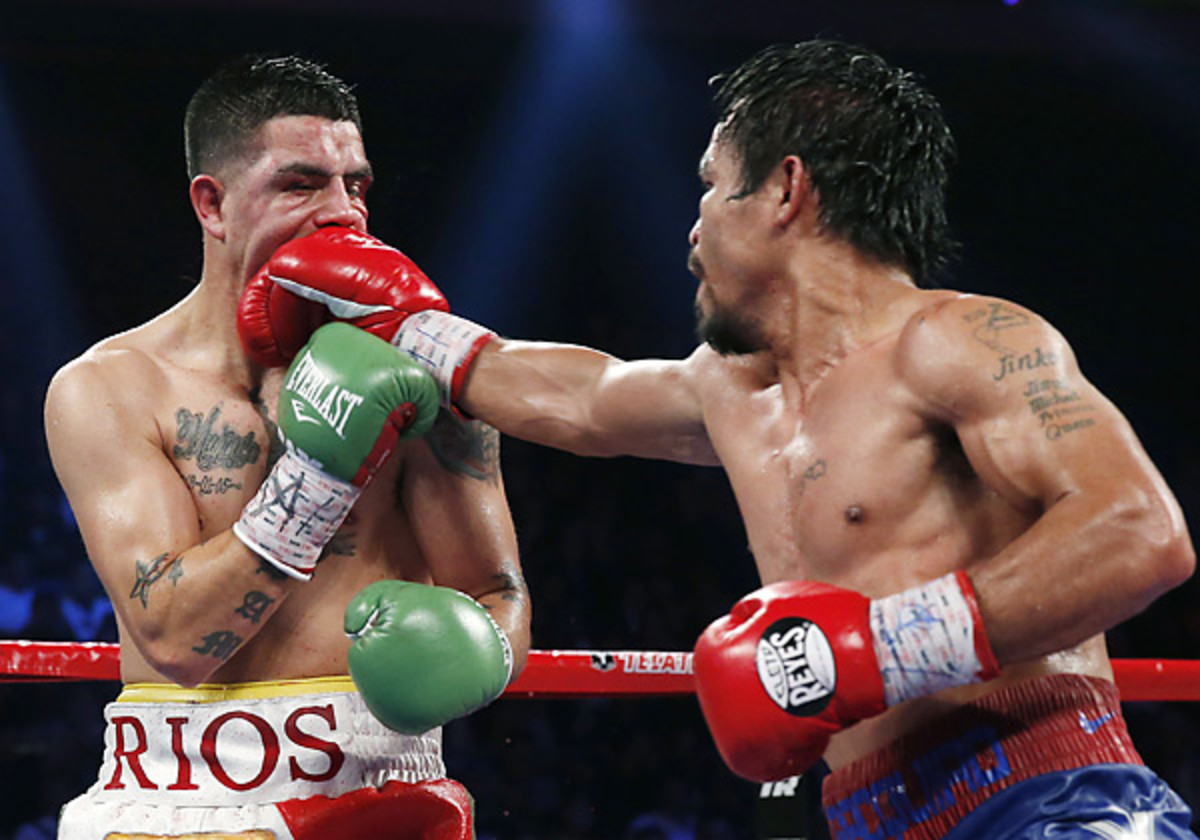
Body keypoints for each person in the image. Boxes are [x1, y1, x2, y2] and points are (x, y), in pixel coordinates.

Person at [245, 40, 1198, 838]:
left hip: (1049, 797)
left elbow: (1140, 532)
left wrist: (876, 651)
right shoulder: (731, 388)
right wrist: (401, 323)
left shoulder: (963, 342)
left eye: (711, 188)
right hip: (869, 816)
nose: (692, 226)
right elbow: (579, 397)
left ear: (786, 190)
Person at [42, 54, 530, 839]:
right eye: (301, 185)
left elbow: (497, 596)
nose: (345, 213)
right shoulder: (112, 387)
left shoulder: (422, 372)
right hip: (176, 798)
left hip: (381, 786)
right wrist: (321, 472)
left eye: (357, 185)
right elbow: (172, 638)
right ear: (213, 204)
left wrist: (478, 659)